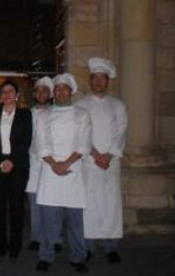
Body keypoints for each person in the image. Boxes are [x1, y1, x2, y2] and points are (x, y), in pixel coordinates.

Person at [35, 73, 91, 273]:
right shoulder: (43, 115)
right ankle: (46, 256)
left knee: (75, 220)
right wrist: (53, 164)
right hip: (51, 170)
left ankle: (78, 257)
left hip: (73, 170)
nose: (60, 91)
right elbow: (40, 144)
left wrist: (66, 163)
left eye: (64, 88)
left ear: (71, 91)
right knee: (49, 219)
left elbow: (84, 143)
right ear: (53, 92)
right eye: (57, 88)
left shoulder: (81, 114)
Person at [76, 57, 128, 264]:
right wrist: (96, 154)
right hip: (89, 163)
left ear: (108, 81)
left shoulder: (118, 105)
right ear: (90, 80)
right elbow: (81, 133)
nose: (98, 82)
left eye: (102, 78)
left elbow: (121, 132)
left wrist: (109, 155)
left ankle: (110, 247)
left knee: (110, 205)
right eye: (95, 78)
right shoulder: (81, 104)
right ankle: (88, 246)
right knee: (89, 205)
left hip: (111, 163)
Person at [0, 81, 32, 261]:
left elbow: (26, 141)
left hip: (18, 167)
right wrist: (1, 161)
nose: (6, 94)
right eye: (3, 92)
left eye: (10, 91)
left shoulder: (25, 115)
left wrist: (12, 160)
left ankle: (15, 246)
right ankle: (0, 245)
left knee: (16, 209)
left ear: (16, 95)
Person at [25, 76, 53, 251]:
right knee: (34, 202)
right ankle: (36, 237)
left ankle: (54, 238)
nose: (41, 94)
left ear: (50, 94)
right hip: (32, 164)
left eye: (45, 91)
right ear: (34, 94)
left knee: (51, 203)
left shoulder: (57, 113)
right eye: (38, 91)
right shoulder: (27, 114)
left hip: (51, 163)